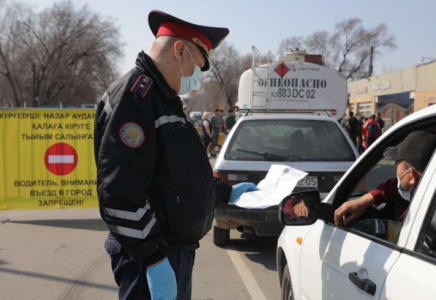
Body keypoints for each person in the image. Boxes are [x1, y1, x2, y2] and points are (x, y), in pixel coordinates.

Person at [93, 10, 258, 300]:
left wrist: (222, 193)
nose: (197, 77)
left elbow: (179, 173)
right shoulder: (136, 99)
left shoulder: (165, 100)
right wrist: (154, 259)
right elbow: (119, 194)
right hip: (148, 255)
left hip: (169, 250)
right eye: (198, 65)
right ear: (180, 50)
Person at [334, 131, 436, 226]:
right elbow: (393, 188)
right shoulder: (427, 193)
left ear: (411, 176)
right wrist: (366, 199)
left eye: (396, 167)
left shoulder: (417, 218)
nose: (396, 176)